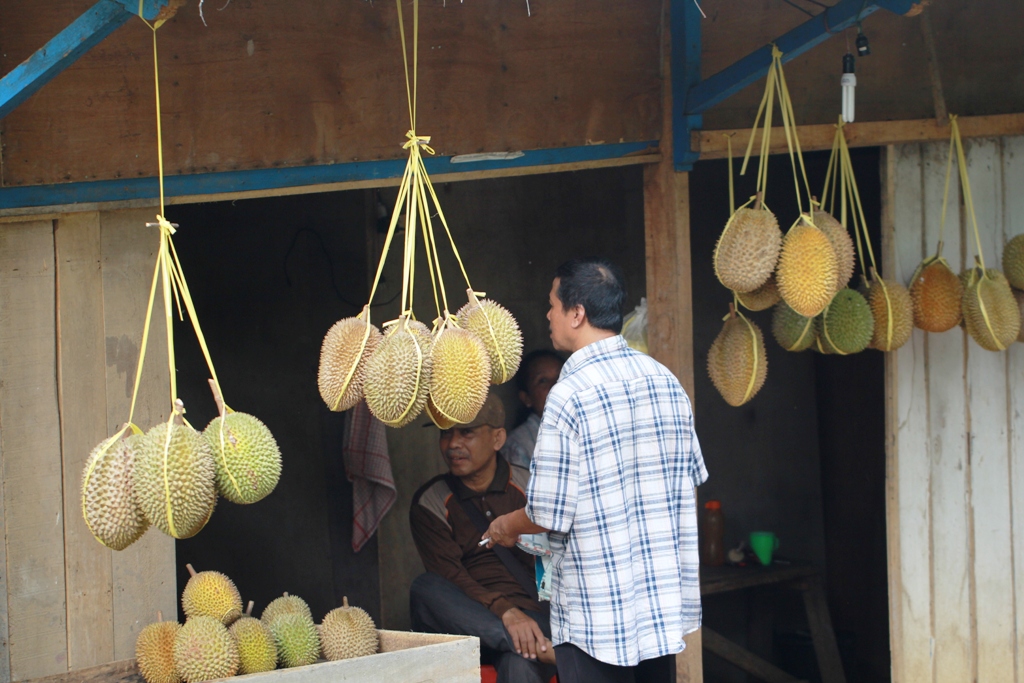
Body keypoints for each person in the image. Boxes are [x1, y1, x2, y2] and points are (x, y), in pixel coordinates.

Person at [485, 258, 708, 683]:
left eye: (552, 305)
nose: (548, 315)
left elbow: (547, 513)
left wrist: (505, 526)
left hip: (596, 619)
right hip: (658, 610)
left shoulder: (568, 396)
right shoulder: (664, 380)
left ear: (577, 313)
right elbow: (690, 477)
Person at [409, 393, 557, 683]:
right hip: (470, 620)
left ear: (497, 438)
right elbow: (450, 576)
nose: (453, 444)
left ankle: (532, 644)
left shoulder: (532, 488)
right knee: (425, 588)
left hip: (536, 617)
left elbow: (553, 566)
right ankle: (538, 648)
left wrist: (529, 614)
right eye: (445, 434)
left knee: (519, 664)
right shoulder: (431, 501)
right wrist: (506, 614)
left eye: (466, 432)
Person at [502, 350, 565, 469]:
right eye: (543, 381)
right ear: (526, 398)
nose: (555, 385)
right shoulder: (518, 446)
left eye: (560, 376)